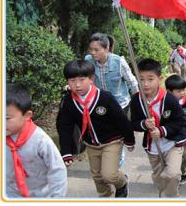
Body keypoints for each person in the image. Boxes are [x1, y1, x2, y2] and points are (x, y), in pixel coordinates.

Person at [57, 60, 135, 198]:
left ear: (91, 79)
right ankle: (105, 197)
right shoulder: (69, 101)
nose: (77, 84)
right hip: (90, 144)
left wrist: (129, 139)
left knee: (109, 175)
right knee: (98, 177)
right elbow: (64, 127)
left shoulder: (105, 97)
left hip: (112, 141)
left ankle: (122, 183)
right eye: (72, 80)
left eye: (82, 79)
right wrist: (66, 151)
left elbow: (121, 120)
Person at [129, 58, 186, 198]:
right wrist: (144, 124)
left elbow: (180, 120)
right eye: (141, 79)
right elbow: (134, 123)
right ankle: (163, 196)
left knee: (172, 174)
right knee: (159, 179)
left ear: (159, 79)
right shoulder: (137, 100)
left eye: (150, 79)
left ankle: (172, 198)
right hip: (153, 147)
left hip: (172, 143)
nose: (145, 84)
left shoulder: (169, 99)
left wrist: (162, 130)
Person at [85, 33, 139, 168]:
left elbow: (132, 83)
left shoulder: (118, 62)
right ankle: (107, 158)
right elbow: (84, 78)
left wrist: (139, 103)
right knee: (105, 131)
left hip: (120, 104)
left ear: (107, 48)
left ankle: (117, 164)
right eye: (91, 49)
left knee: (117, 133)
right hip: (99, 105)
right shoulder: (88, 61)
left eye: (96, 50)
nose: (93, 53)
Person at [6, 83, 67, 198]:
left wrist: (57, 198)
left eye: (6, 118)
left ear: (27, 115)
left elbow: (57, 170)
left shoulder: (40, 140)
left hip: (41, 195)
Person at [164, 74, 186, 186]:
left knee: (184, 156)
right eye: (179, 91)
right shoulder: (164, 102)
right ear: (169, 91)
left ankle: (183, 172)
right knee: (168, 157)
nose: (182, 93)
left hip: (183, 135)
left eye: (183, 90)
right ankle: (170, 174)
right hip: (168, 135)